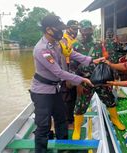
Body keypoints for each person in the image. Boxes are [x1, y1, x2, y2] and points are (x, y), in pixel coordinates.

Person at [29, 14, 101, 153]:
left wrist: (91, 60)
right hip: (42, 92)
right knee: (43, 126)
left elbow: (72, 54)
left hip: (55, 89)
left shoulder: (57, 43)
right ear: (49, 29)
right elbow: (59, 72)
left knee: (61, 119)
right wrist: (81, 79)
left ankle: (63, 148)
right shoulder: (42, 49)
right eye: (58, 29)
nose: (61, 31)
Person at [72, 19, 125, 140]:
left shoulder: (99, 43)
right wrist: (78, 83)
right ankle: (77, 128)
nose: (87, 32)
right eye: (84, 30)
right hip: (85, 81)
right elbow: (73, 66)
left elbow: (106, 60)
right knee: (80, 106)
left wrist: (110, 77)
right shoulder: (75, 45)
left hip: (100, 79)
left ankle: (116, 120)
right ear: (80, 30)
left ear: (92, 29)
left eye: (89, 29)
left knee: (110, 100)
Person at [59, 20, 80, 125]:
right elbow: (63, 60)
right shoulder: (63, 41)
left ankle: (70, 118)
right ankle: (67, 121)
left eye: (77, 28)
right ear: (68, 28)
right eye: (73, 28)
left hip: (74, 72)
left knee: (73, 96)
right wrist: (67, 77)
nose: (76, 31)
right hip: (66, 72)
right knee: (67, 98)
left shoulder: (74, 40)